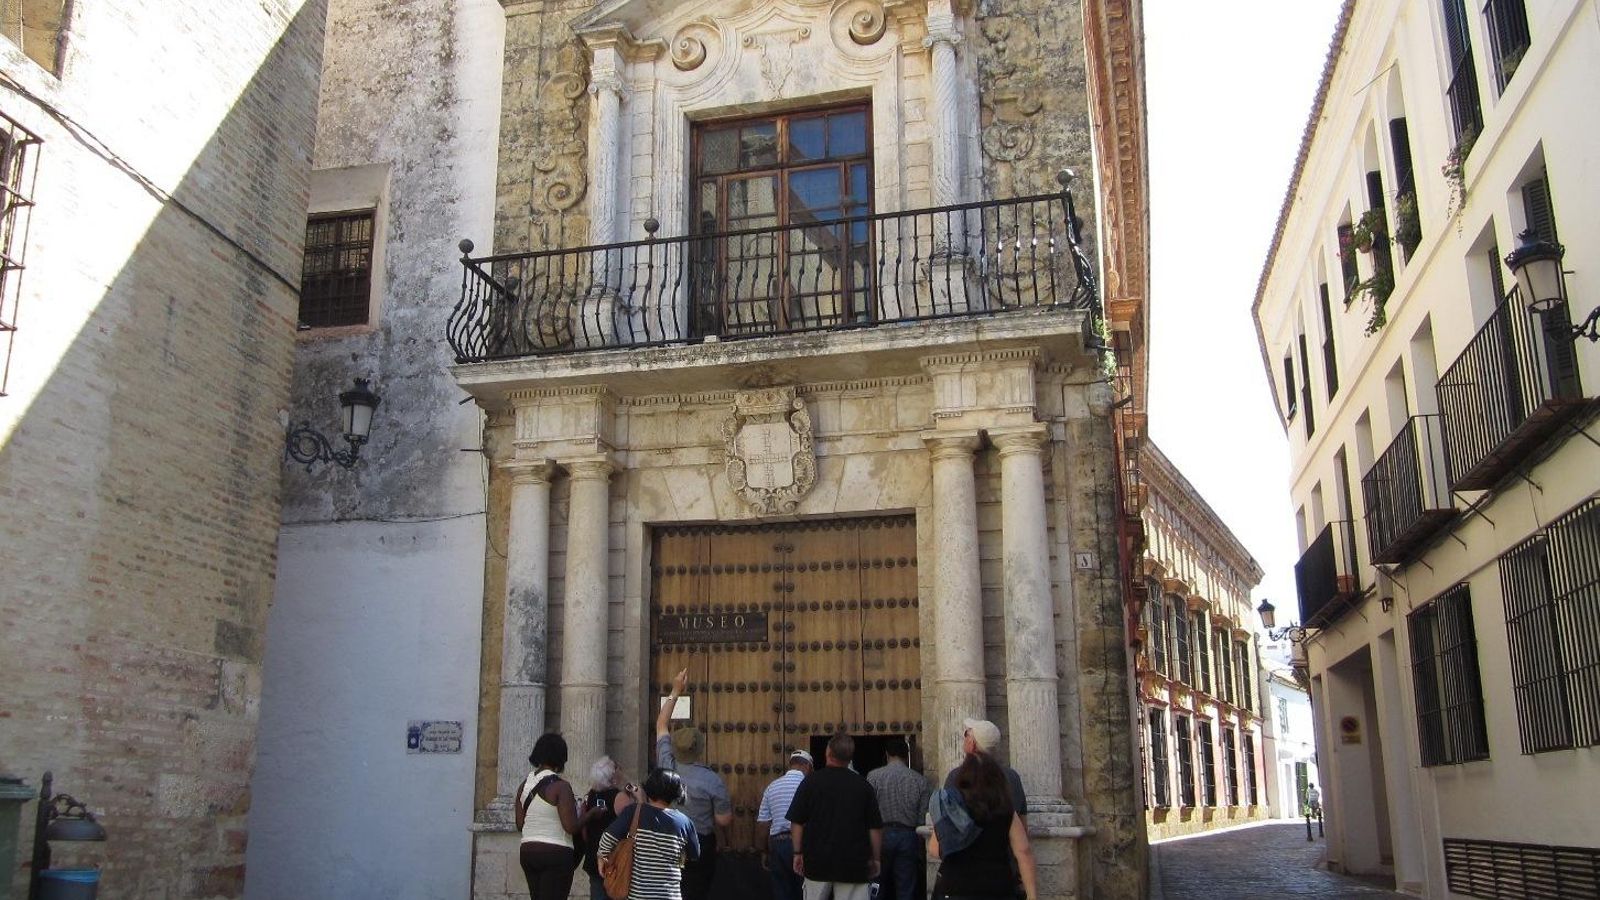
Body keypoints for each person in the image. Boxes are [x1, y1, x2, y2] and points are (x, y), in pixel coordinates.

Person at [654, 668, 733, 900]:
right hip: (700, 843)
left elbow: (661, 724)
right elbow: (724, 819)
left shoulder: (667, 764)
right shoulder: (712, 780)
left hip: (668, 841)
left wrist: (675, 690)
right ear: (699, 749)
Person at [928, 752, 1038, 900]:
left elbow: (934, 849)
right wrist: (1032, 895)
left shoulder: (953, 809)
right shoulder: (1006, 810)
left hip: (956, 886)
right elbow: (1023, 851)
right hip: (997, 886)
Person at [786, 733, 883, 900]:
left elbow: (797, 822)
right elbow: (874, 828)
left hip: (817, 862)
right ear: (850, 757)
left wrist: (797, 852)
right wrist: (876, 858)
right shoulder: (863, 786)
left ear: (828, 753)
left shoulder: (811, 782)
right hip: (853, 863)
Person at [517, 732, 606, 900]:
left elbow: (520, 824)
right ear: (560, 758)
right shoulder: (560, 787)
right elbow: (570, 826)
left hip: (528, 851)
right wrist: (591, 814)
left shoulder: (524, 786)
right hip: (555, 852)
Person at [598, 767, 700, 900]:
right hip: (670, 896)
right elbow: (695, 854)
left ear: (649, 789)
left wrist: (602, 856)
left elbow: (608, 836)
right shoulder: (685, 823)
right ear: (677, 793)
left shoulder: (633, 812)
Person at [867, 737, 930, 900]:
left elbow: (867, 811)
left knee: (876, 885)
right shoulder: (920, 780)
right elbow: (922, 817)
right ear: (907, 755)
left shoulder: (873, 777)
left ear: (887, 754)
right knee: (906, 887)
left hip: (880, 835)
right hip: (908, 836)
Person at [756, 748, 814, 900]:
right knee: (806, 891)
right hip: (805, 844)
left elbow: (763, 824)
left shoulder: (772, 787)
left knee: (782, 891)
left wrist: (764, 850)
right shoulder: (811, 786)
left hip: (778, 845)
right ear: (807, 766)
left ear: (790, 765)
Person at [576, 756, 638, 900]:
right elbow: (635, 819)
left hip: (593, 852)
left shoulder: (590, 795)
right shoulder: (619, 797)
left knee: (597, 892)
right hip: (614, 855)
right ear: (612, 776)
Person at [944, 719, 1027, 820]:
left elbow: (946, 822)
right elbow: (1023, 824)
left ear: (972, 744)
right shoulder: (1013, 777)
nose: (964, 738)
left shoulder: (957, 776)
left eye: (966, 734)